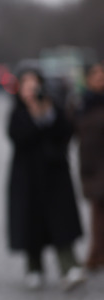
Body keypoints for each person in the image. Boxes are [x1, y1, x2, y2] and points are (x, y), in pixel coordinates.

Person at [6, 68, 86, 291]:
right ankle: (34, 268)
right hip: (27, 177)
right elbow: (17, 136)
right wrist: (34, 116)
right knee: (30, 224)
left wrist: (47, 113)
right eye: (27, 86)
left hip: (54, 175)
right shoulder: (18, 112)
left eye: (35, 85)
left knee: (62, 224)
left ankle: (69, 267)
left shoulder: (54, 108)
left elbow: (67, 132)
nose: (32, 91)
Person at [77, 62, 104, 271]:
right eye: (95, 75)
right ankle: (96, 254)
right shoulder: (82, 103)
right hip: (93, 165)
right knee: (98, 212)